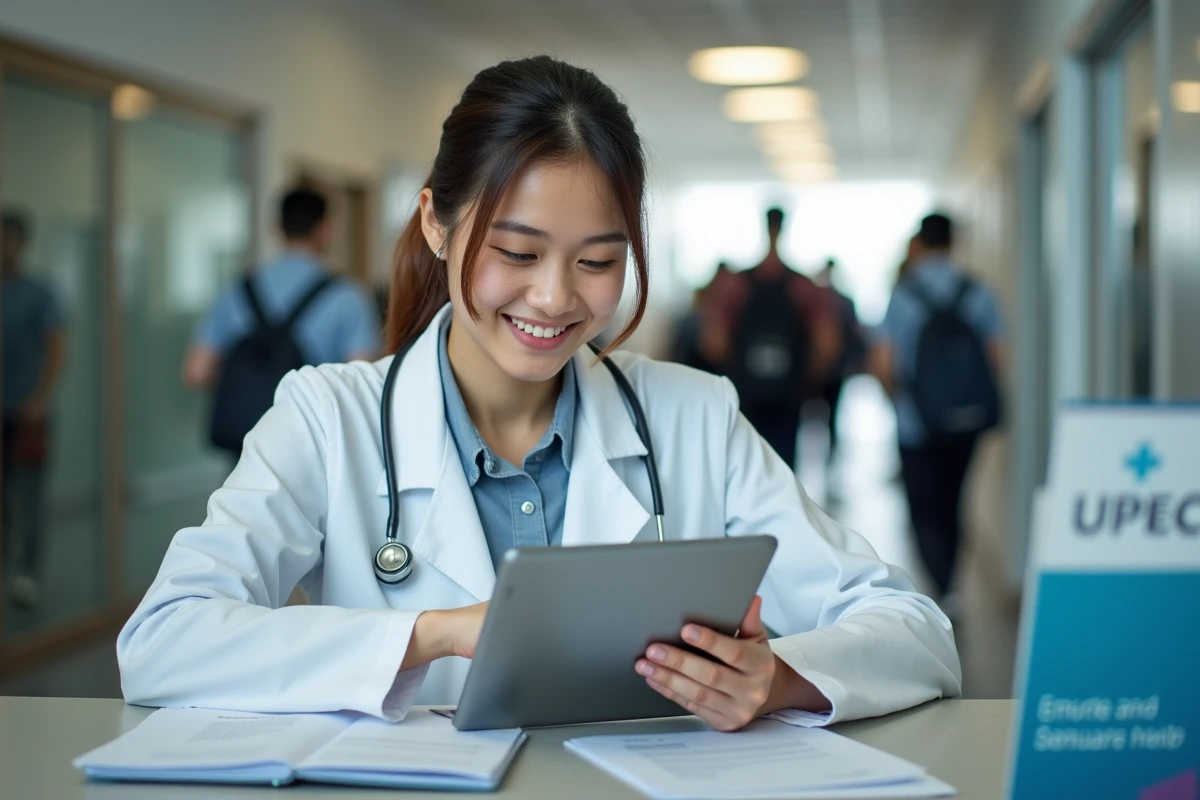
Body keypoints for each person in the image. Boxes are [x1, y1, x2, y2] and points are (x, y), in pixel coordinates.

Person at [119, 56, 960, 733]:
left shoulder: (693, 416)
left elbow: (915, 631)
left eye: (597, 261)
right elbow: (163, 642)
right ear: (437, 224)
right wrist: (435, 634)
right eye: (517, 254)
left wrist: (778, 681)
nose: (556, 299)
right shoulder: (324, 417)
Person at [870, 213, 1005, 607]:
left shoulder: (904, 293)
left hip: (917, 423)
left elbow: (883, 360)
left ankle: (940, 581)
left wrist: (899, 398)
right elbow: (996, 355)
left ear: (921, 243)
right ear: (953, 242)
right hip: (967, 421)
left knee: (923, 505)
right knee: (955, 498)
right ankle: (953, 584)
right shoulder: (977, 291)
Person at [184, 188, 382, 456]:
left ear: (277, 228)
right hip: (312, 453)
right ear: (325, 230)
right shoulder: (348, 297)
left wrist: (250, 380)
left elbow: (196, 372)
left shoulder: (239, 290)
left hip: (246, 453)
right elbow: (360, 384)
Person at [711, 208, 839, 470]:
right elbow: (827, 342)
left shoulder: (738, 285)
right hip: (788, 393)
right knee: (784, 465)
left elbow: (713, 342)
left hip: (747, 393)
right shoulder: (801, 285)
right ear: (784, 227)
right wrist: (806, 378)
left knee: (746, 463)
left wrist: (736, 370)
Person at [1, 211, 66, 609]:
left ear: (22, 245)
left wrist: (39, 399)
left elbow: (57, 347)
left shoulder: (38, 293)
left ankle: (26, 572)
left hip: (27, 413)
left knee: (28, 495)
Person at [813, 258, 864, 464]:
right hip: (831, 368)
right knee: (830, 414)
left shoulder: (822, 300)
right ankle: (829, 453)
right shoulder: (840, 301)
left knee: (828, 414)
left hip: (829, 369)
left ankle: (829, 454)